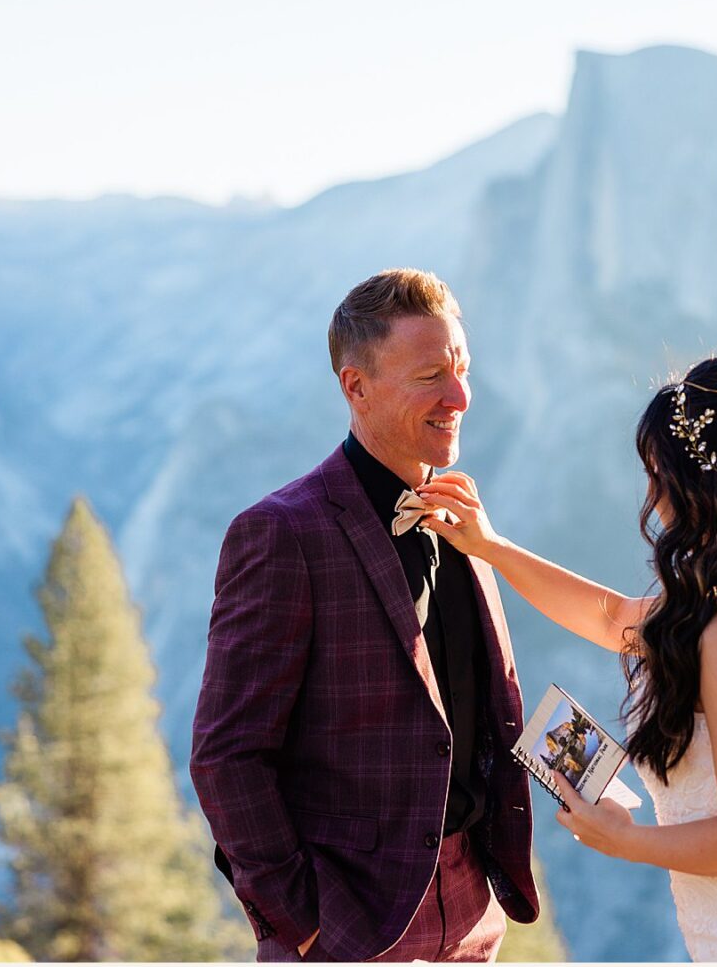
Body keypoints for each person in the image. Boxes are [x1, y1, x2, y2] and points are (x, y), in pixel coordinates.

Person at [417, 354, 717, 962]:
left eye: (657, 468)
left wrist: (627, 840)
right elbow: (613, 619)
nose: (650, 489)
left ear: (700, 480)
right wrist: (491, 548)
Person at [189, 269, 539, 963]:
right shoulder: (282, 533)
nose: (461, 396)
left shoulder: (460, 514)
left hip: (474, 917)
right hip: (351, 929)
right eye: (431, 375)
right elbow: (226, 757)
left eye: (463, 368)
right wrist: (306, 924)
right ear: (356, 387)